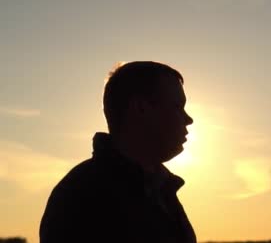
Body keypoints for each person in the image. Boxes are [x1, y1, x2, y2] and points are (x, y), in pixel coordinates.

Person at [40, 61, 197, 243]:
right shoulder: (83, 197)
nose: (188, 119)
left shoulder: (161, 191)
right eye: (177, 106)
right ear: (141, 108)